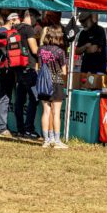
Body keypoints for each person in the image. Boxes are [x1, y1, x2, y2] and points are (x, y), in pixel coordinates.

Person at [38, 24, 69, 149]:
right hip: (56, 81)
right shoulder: (60, 51)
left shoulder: (41, 50)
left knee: (46, 112)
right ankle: (56, 140)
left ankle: (46, 139)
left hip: (43, 82)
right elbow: (64, 71)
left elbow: (39, 66)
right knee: (56, 113)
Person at [14, 10, 41, 140]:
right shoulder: (29, 29)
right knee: (34, 99)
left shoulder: (16, 28)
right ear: (30, 16)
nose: (36, 21)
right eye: (36, 18)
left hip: (18, 67)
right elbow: (35, 50)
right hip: (29, 67)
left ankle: (20, 129)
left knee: (19, 100)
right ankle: (29, 128)